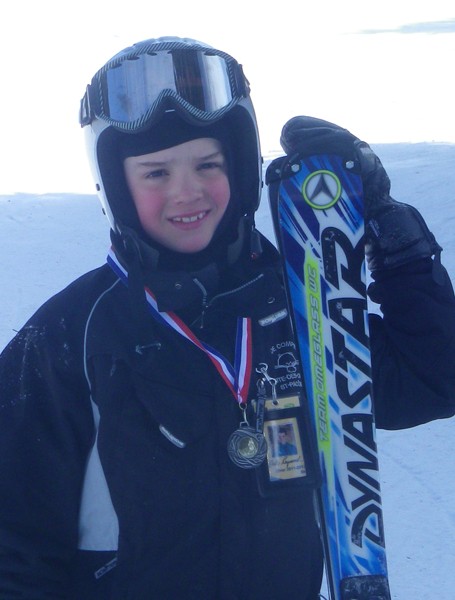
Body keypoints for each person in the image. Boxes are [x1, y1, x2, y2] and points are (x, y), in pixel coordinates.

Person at [0, 36, 454, 600]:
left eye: (207, 164)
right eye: (155, 173)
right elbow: (14, 548)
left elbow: (432, 377)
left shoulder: (302, 304)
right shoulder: (67, 339)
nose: (187, 192)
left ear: (238, 166)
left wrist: (389, 230)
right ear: (116, 186)